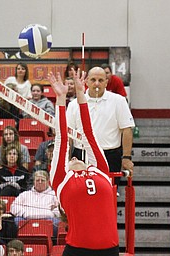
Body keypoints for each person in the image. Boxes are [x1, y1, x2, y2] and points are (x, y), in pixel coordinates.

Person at [48, 69, 123, 255]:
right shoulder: (61, 181)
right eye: (71, 159)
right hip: (78, 250)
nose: (73, 157)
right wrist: (61, 98)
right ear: (66, 167)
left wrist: (81, 93)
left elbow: (88, 133)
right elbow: (62, 139)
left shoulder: (100, 170)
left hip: (109, 250)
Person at [66, 67, 135, 188]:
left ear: (106, 82)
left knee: (109, 193)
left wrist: (126, 157)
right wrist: (65, 159)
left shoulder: (119, 101)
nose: (96, 83)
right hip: (82, 155)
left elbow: (127, 129)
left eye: (100, 80)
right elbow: (68, 136)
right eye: (93, 79)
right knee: (82, 195)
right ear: (86, 81)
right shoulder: (73, 104)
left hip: (110, 155)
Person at [10, 170, 60, 236]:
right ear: (33, 182)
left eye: (42, 180)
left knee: (57, 222)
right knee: (16, 221)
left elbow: (61, 208)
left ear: (48, 182)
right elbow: (13, 207)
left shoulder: (54, 194)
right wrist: (24, 213)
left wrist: (52, 213)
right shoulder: (25, 194)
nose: (40, 182)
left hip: (48, 219)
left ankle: (52, 243)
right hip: (26, 219)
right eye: (37, 180)